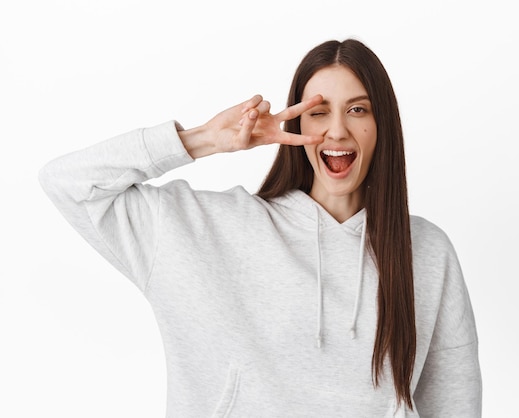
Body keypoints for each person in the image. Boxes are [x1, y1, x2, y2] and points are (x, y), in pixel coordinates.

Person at [39, 39, 482, 417]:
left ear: (381, 126)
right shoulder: (211, 228)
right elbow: (70, 183)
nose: (337, 130)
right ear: (296, 124)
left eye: (358, 109)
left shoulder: (424, 251)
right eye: (319, 112)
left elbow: (454, 405)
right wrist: (205, 140)